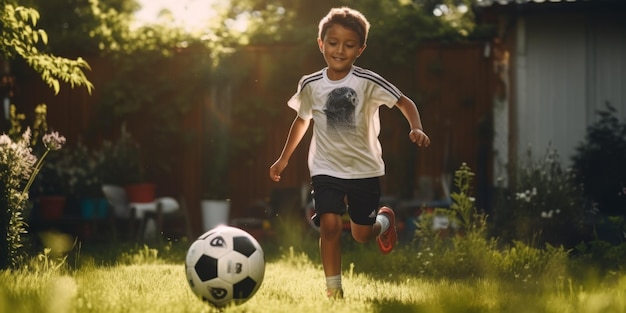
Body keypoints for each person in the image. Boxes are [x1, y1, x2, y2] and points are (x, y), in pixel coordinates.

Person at [269, 6, 430, 299]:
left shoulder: (368, 82)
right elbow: (302, 120)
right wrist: (284, 158)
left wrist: (416, 127)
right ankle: (334, 290)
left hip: (363, 170)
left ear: (360, 49)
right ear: (321, 43)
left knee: (361, 234)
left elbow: (404, 102)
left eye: (349, 44)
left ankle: (384, 221)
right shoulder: (310, 84)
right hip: (325, 168)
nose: (340, 50)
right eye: (333, 43)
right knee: (329, 225)